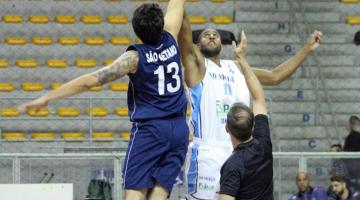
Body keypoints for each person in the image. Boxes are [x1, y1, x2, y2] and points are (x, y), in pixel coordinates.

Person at [18, 1, 188, 200]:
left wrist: (46, 97)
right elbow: (177, 4)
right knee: (160, 191)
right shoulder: (171, 35)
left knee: (134, 191)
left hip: (151, 131)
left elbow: (90, 81)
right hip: (179, 130)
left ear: (137, 33)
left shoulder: (134, 58)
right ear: (161, 24)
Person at [178, 13, 323, 199]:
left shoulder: (238, 68)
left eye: (215, 34)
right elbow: (184, 38)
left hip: (240, 152)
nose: (212, 36)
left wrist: (307, 49)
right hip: (208, 154)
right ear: (197, 45)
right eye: (206, 35)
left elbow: (275, 76)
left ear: (223, 45)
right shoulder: (197, 68)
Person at [218, 33, 273, 200]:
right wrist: (242, 60)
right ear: (253, 126)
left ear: (227, 129)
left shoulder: (233, 165)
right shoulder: (263, 143)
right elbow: (258, 98)